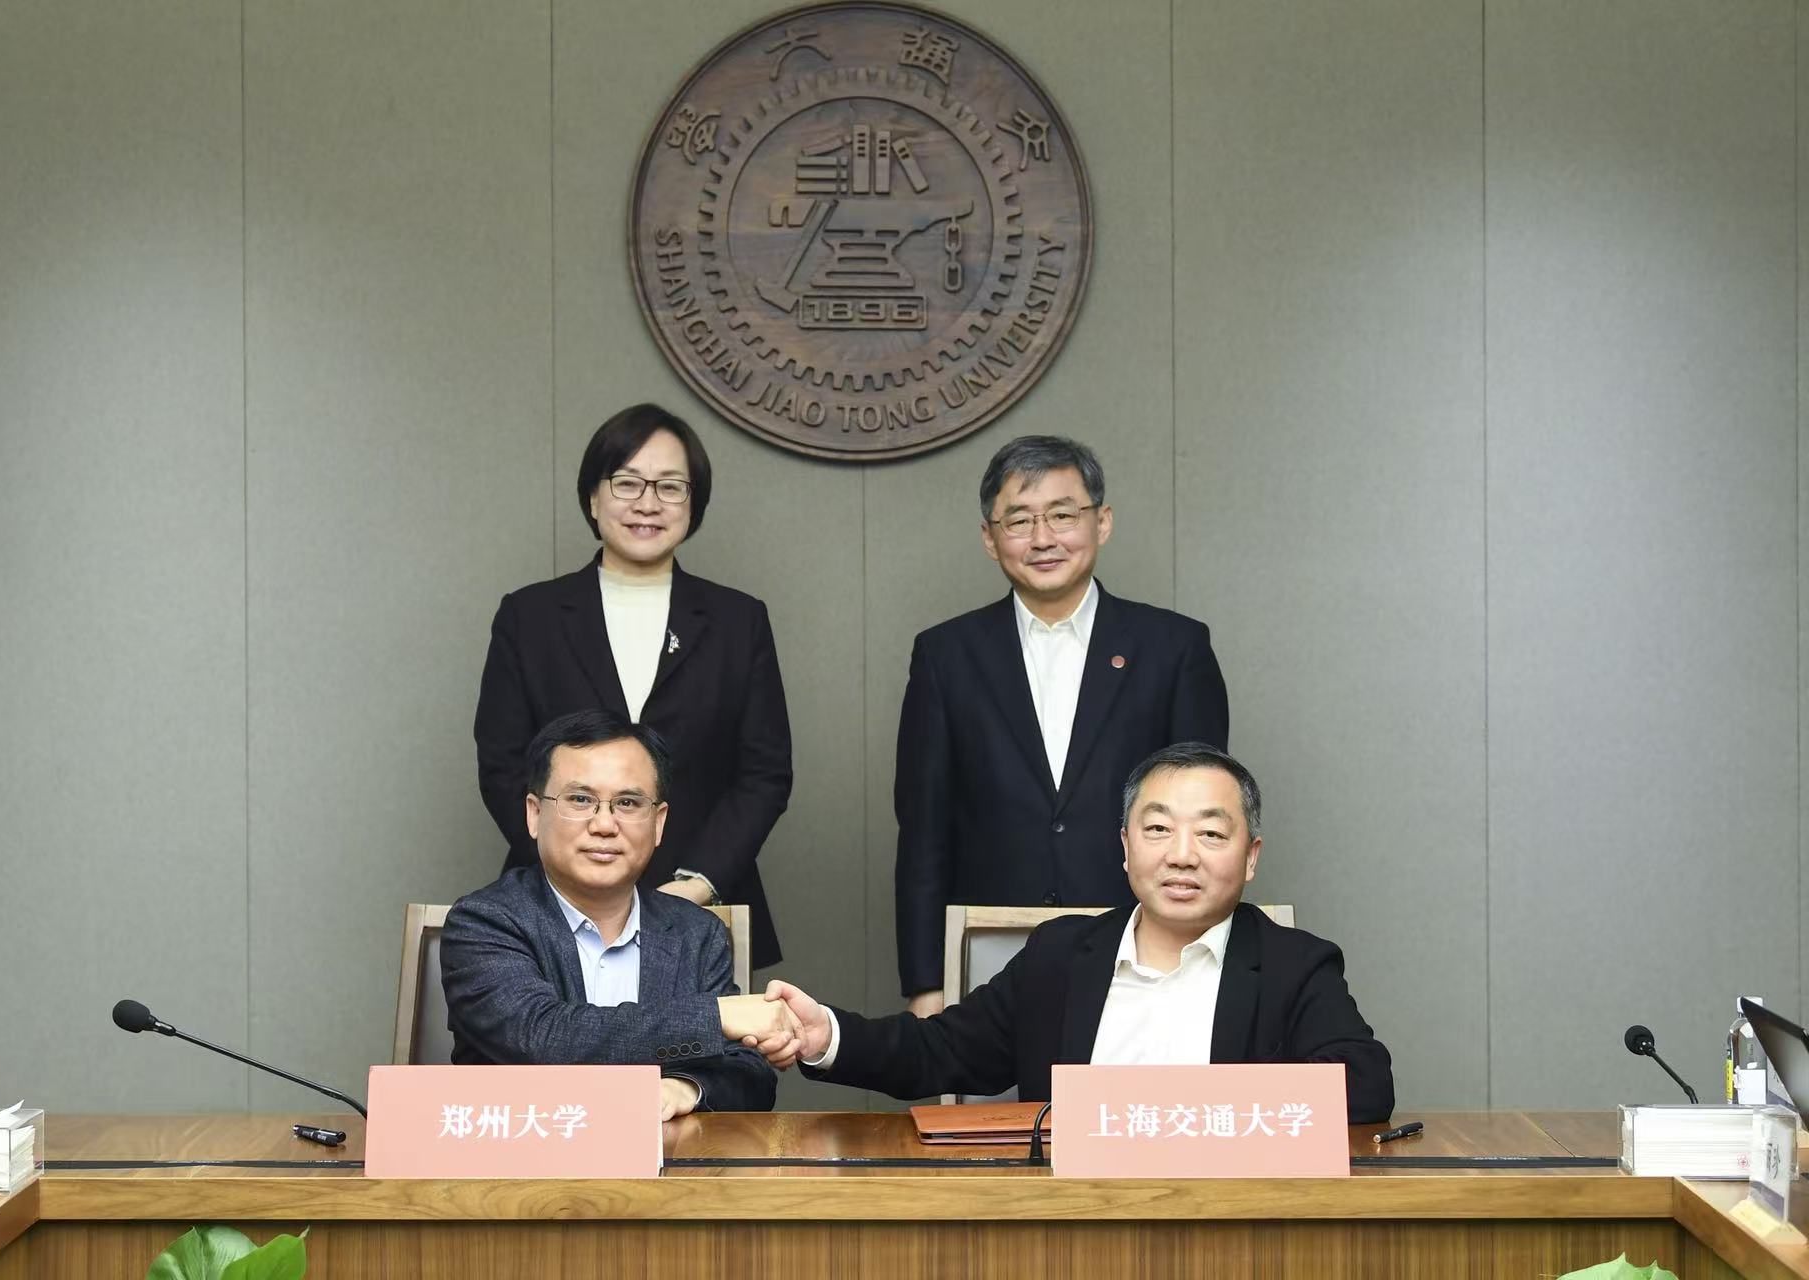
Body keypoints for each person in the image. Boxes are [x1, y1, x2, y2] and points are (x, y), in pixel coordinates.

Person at [759, 745, 1394, 1123]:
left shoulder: (1294, 964)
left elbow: (1366, 1086)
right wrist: (827, 1036)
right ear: (1125, 846)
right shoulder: (1061, 954)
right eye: (1157, 829)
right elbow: (938, 1051)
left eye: (1210, 833)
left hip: (1226, 1226)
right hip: (1068, 1225)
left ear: (1250, 856)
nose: (1181, 855)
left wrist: (1189, 1110)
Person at [894, 436, 1230, 1014]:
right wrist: (928, 983)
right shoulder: (946, 656)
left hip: (1146, 947)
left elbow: (1203, 821)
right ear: (990, 537)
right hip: (988, 954)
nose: (1043, 538)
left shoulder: (1174, 648)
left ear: (1102, 522)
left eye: (1062, 515)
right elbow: (923, 830)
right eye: (1019, 520)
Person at [475, 404, 792, 968]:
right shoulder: (530, 616)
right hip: (553, 907)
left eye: (670, 487)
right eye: (627, 483)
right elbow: (503, 764)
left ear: (693, 505)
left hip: (701, 910)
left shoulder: (738, 621)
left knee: (704, 1031)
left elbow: (764, 773)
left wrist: (699, 883)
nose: (648, 503)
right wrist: (576, 875)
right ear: (593, 498)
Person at [441, 710, 790, 1118]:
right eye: (580, 800)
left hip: (662, 1159)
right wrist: (716, 1018)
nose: (605, 824)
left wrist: (688, 1089)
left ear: (658, 823)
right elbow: (542, 1037)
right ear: (534, 814)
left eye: (627, 803)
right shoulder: (483, 921)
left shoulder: (696, 933)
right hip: (522, 1152)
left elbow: (752, 1076)